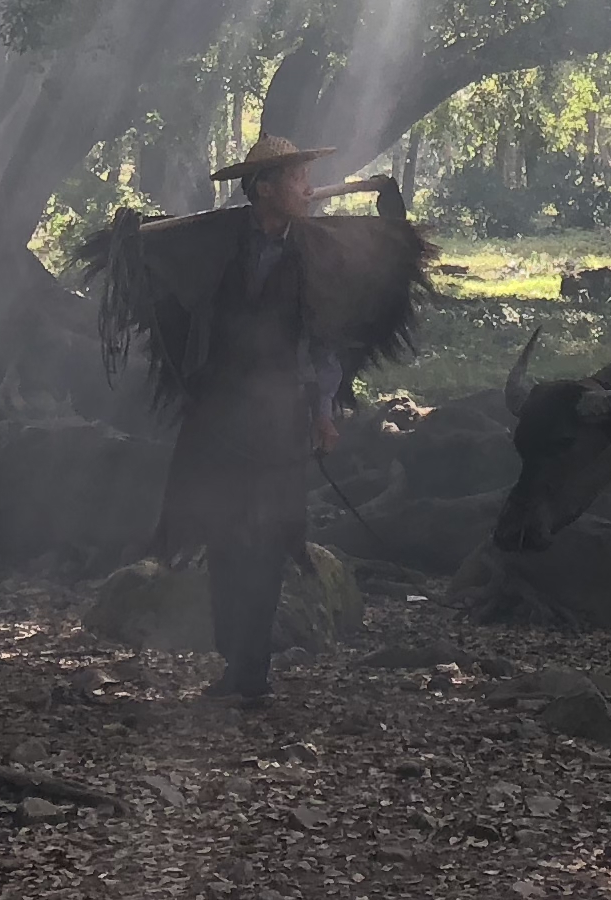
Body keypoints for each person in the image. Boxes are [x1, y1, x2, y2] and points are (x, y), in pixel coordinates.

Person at [88, 135, 430, 709]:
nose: (306, 187)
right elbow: (160, 274)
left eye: (304, 177)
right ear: (263, 189)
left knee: (268, 539)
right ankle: (234, 659)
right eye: (294, 179)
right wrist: (128, 236)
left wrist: (323, 413)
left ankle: (253, 669)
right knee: (223, 534)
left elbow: (323, 343)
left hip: (279, 417)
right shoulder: (215, 242)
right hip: (219, 414)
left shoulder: (316, 252)